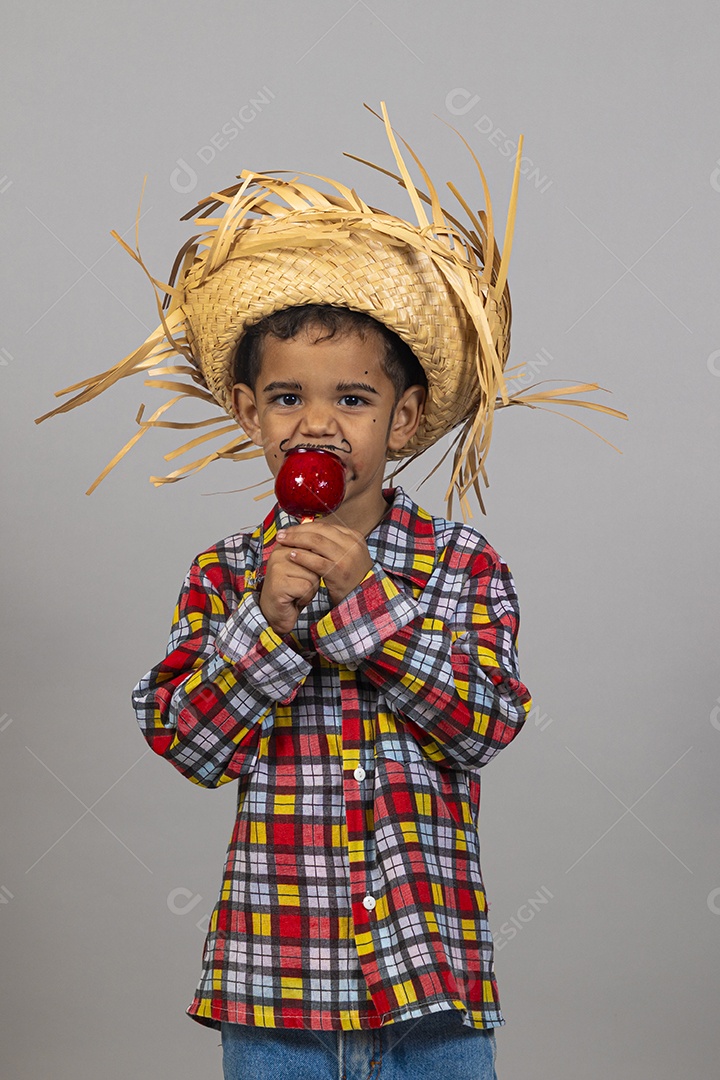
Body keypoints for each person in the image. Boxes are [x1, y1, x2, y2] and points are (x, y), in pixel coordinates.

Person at [35, 103, 623, 1079]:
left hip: (430, 988)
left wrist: (368, 608)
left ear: (404, 418)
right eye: (287, 398)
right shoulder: (227, 574)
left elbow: (487, 725)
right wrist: (264, 625)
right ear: (247, 413)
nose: (317, 424)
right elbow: (188, 744)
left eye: (352, 398)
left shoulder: (461, 565)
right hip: (275, 990)